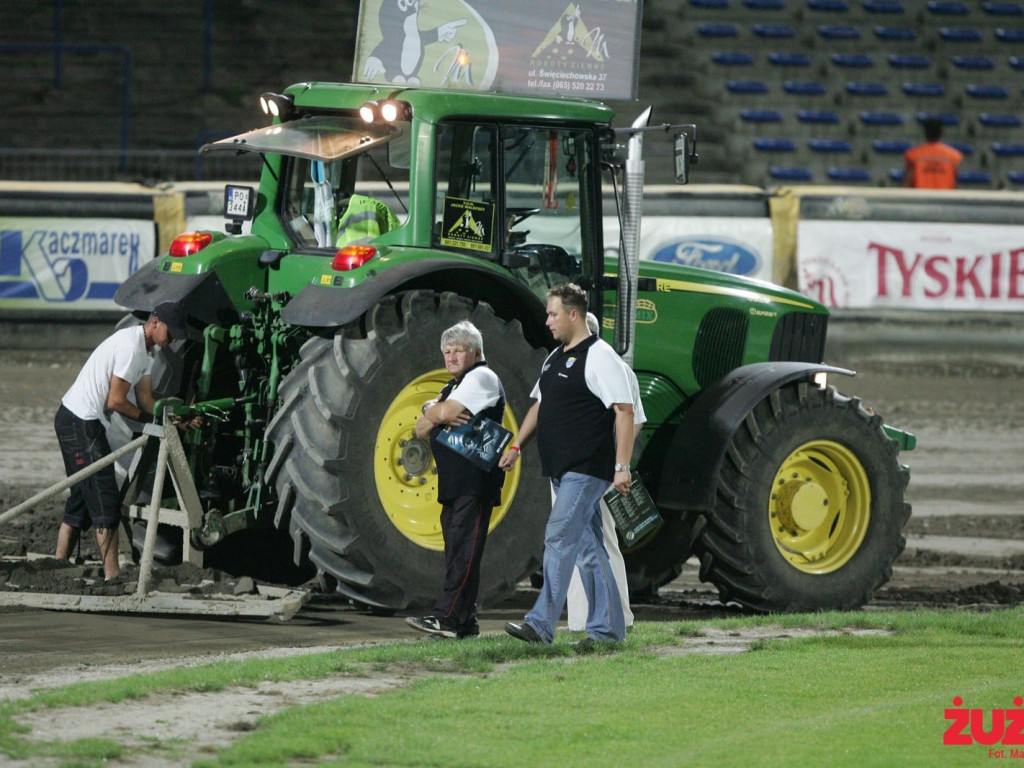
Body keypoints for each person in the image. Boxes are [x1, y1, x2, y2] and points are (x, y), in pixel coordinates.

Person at [499, 283, 635, 647]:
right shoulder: (555, 357)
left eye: (553, 314)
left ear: (573, 315)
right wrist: (516, 445)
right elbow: (539, 406)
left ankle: (540, 625)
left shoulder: (601, 356)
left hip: (587, 468)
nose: (547, 321)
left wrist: (622, 466)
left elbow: (624, 410)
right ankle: (607, 632)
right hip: (560, 469)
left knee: (558, 537)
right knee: (590, 550)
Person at [54, 301, 187, 581]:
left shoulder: (147, 354)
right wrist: (151, 420)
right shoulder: (131, 347)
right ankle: (113, 575)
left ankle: (58, 562)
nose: (173, 339)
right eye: (171, 333)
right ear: (154, 323)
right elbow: (116, 401)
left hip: (77, 419)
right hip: (79, 422)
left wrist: (175, 418)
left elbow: (146, 401)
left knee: (82, 495)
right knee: (105, 497)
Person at [406, 320, 507, 639]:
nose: (450, 357)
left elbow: (444, 415)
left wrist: (435, 412)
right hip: (455, 482)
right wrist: (434, 411)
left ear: (476, 352)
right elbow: (421, 428)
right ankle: (464, 621)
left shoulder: (482, 377)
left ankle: (445, 617)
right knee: (458, 552)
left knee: (463, 551)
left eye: (458, 351)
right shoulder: (456, 385)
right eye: (446, 351)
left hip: (473, 482)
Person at [565, 312, 646, 632]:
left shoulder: (610, 368)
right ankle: (586, 619)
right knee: (585, 543)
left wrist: (615, 464)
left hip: (596, 470)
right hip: (578, 468)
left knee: (598, 542)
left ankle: (609, 617)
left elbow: (632, 419)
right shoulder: (571, 364)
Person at [904, 117, 963, 190]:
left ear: (925, 132)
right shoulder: (954, 156)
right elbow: (954, 183)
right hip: (944, 199)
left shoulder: (913, 155)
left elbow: (907, 182)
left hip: (919, 199)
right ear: (942, 132)